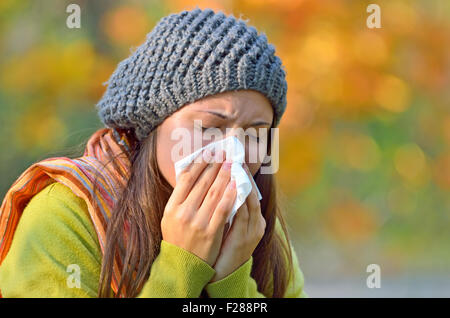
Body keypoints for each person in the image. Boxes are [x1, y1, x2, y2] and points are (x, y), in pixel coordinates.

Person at [0, 7, 307, 298]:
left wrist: (234, 280)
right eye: (210, 127)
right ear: (152, 125)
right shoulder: (63, 216)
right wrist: (181, 265)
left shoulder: (256, 227)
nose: (234, 153)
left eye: (255, 133)